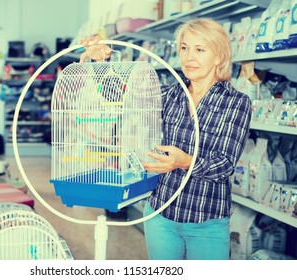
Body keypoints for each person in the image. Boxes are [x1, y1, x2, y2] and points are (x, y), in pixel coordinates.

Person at [79, 18, 252, 260]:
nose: (189, 57)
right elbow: (119, 95)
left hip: (206, 220)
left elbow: (224, 164)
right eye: (184, 48)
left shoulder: (236, 102)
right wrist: (101, 61)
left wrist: (185, 161)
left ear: (219, 57)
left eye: (199, 49)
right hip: (161, 213)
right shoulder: (171, 93)